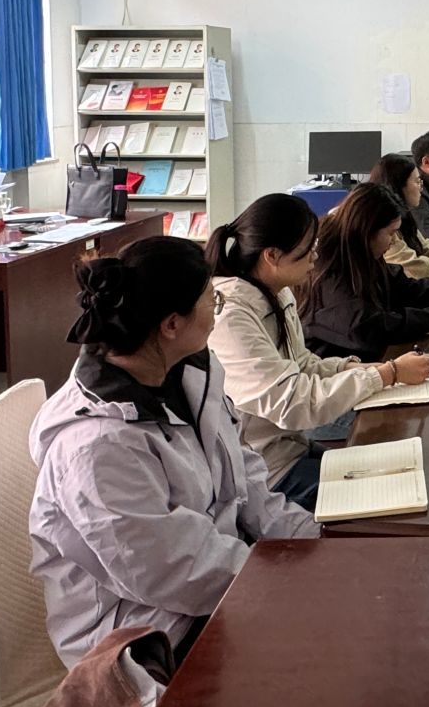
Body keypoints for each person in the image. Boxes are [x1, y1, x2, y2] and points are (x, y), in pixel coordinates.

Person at [29, 236, 320, 668]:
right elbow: (173, 571)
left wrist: (309, 541)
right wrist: (284, 582)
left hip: (219, 581)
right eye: (211, 300)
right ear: (171, 325)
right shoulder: (97, 447)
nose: (218, 310)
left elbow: (244, 479)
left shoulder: (189, 370)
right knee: (325, 653)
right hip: (149, 634)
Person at [206, 193, 429, 509]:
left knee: (405, 467)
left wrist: (362, 369)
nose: (315, 257)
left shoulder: (275, 292)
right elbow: (290, 403)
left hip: (290, 446)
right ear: (272, 255)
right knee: (395, 499)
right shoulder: (231, 317)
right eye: (307, 250)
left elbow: (302, 364)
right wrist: (385, 374)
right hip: (264, 472)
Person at [298, 183, 429, 362]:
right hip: (336, 365)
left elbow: (400, 285)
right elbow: (368, 327)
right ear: (368, 230)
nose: (393, 241)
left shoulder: (361, 251)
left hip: (365, 361)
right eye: (391, 233)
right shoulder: (329, 264)